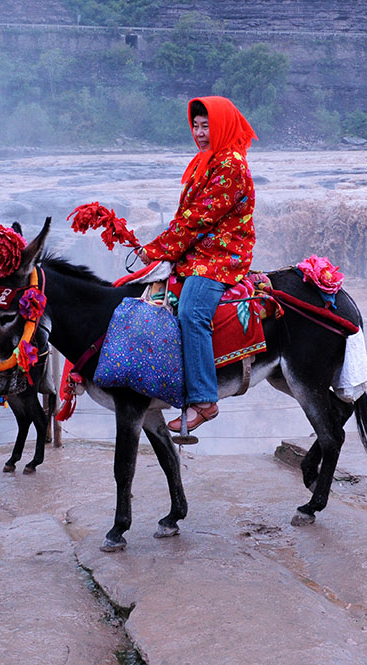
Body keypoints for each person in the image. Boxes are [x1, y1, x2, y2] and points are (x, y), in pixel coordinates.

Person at [138, 96, 257, 433]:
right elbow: (185, 217)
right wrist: (160, 249)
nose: (201, 132)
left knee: (191, 311)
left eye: (208, 126)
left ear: (222, 126)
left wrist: (159, 248)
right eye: (197, 126)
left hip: (223, 254)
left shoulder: (230, 165)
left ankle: (205, 400)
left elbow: (199, 218)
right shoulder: (206, 160)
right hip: (197, 251)